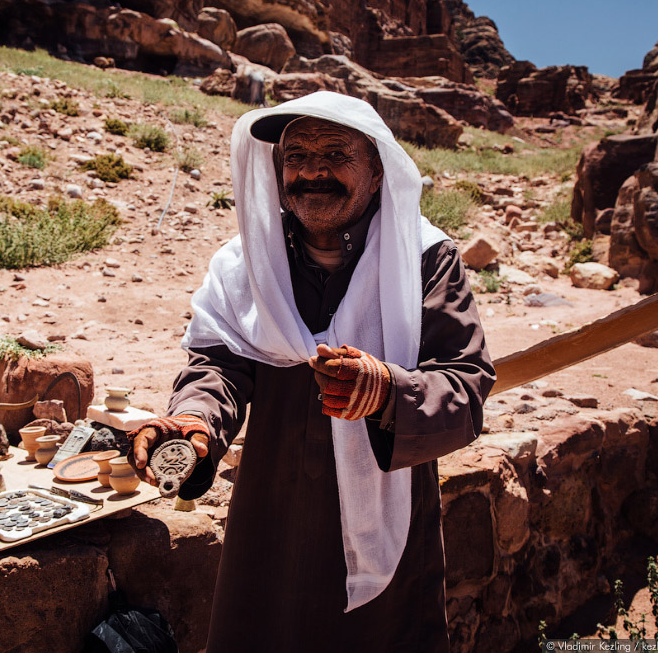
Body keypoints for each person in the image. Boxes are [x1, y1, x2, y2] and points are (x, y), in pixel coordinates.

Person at [128, 91, 495, 651]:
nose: (313, 170)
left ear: (375, 170)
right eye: (296, 155)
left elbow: (465, 383)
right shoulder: (246, 262)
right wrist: (195, 423)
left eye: (335, 153)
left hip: (386, 518)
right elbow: (219, 363)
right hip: (271, 512)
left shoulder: (425, 257)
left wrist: (388, 390)